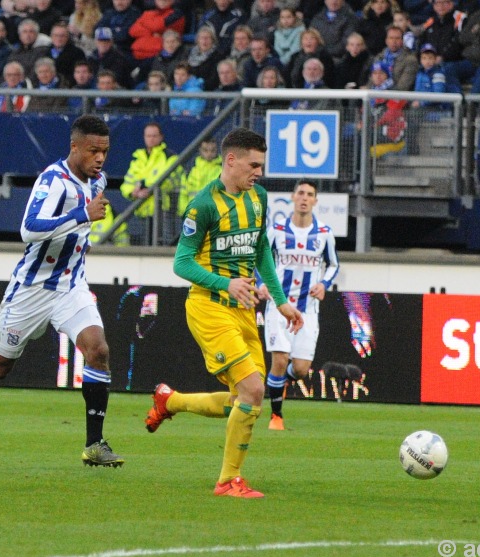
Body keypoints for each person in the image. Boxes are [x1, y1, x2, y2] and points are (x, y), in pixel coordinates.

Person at [0, 114, 125, 469]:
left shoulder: (98, 181)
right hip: (30, 291)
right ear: (74, 147)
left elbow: (78, 227)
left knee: (98, 350)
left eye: (104, 152)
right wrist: (82, 216)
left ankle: (94, 444)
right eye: (93, 151)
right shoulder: (54, 181)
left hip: (70, 286)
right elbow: (29, 229)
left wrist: (80, 241)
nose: (100, 159)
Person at [145, 128, 303, 499]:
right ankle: (227, 481)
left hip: (245, 310)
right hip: (209, 307)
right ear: (230, 160)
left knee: (245, 400)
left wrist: (280, 300)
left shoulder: (258, 197)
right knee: (252, 389)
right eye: (253, 165)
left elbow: (261, 247)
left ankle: (170, 401)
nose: (259, 172)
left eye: (261, 166)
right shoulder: (202, 205)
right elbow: (181, 263)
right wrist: (223, 283)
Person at [257, 178, 338, 430]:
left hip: (308, 310)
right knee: (280, 361)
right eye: (300, 192)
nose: (304, 197)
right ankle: (276, 416)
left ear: (315, 201)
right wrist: (261, 283)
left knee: (301, 370)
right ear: (293, 197)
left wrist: (324, 283)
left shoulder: (324, 234)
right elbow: (260, 259)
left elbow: (333, 264)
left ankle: (274, 385)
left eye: (309, 194)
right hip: (279, 307)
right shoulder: (277, 230)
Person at [365, 24, 418, 91]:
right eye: (391, 38)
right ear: (386, 40)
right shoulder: (379, 57)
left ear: (402, 41)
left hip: (397, 98)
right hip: (376, 95)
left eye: (397, 38)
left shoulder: (410, 60)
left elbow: (402, 87)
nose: (394, 41)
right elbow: (371, 81)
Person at [180, 137, 221, 215]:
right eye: (205, 150)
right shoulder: (190, 170)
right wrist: (184, 211)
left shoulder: (223, 169)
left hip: (215, 215)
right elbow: (183, 193)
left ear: (217, 150)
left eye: (212, 150)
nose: (209, 154)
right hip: (193, 214)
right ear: (200, 150)